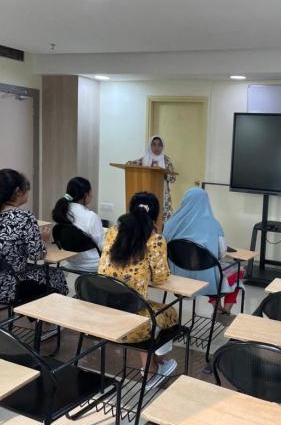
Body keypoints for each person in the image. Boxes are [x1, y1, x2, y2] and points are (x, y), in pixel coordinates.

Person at [98, 192, 177, 390]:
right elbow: (161, 278)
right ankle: (153, 369)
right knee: (169, 313)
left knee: (140, 307)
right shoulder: (155, 239)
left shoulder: (112, 232)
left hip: (103, 310)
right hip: (132, 318)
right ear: (155, 216)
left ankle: (152, 366)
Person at [0, 169, 68, 304]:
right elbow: (36, 255)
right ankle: (42, 315)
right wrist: (43, 240)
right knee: (57, 274)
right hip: (8, 287)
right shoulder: (24, 217)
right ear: (18, 191)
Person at [163, 187, 244, 315]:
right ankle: (224, 311)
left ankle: (217, 306)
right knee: (238, 269)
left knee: (209, 265)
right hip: (207, 281)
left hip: (177, 277)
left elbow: (163, 248)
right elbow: (221, 253)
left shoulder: (170, 223)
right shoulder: (214, 225)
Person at [52, 177, 104, 273]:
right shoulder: (91, 217)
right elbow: (102, 246)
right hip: (92, 264)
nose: (92, 195)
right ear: (85, 195)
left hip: (70, 261)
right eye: (91, 192)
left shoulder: (61, 212)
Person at [127, 136, 176, 223]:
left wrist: (162, 170)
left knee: (162, 220)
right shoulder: (144, 159)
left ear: (163, 146)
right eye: (154, 144)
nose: (157, 147)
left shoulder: (166, 160)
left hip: (163, 194)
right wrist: (149, 165)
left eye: (159, 145)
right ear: (150, 146)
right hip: (146, 193)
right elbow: (128, 164)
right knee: (146, 218)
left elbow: (173, 178)